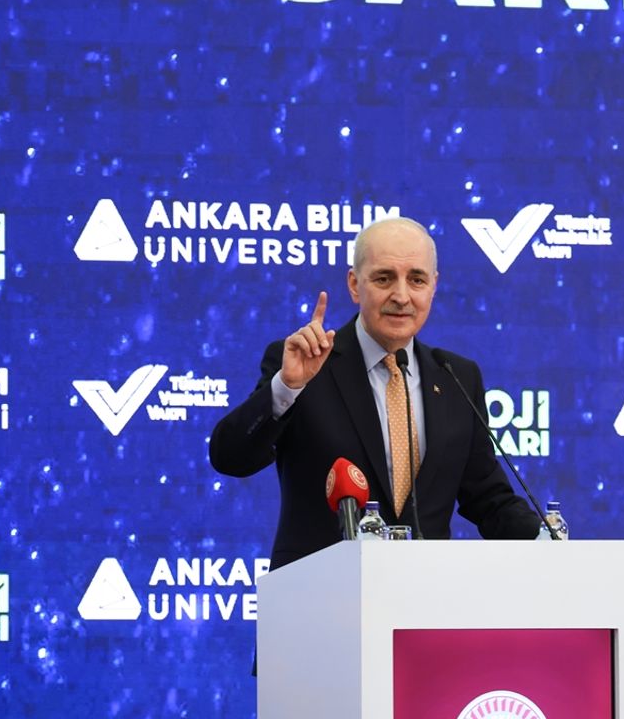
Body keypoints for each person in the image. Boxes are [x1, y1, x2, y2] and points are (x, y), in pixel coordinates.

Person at [208, 216, 541, 570]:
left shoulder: (457, 376)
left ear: (434, 286)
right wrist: (287, 387)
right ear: (355, 285)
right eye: (384, 278)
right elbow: (231, 457)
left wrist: (549, 542)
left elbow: (488, 498)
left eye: (416, 279)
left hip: (422, 594)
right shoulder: (304, 364)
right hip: (319, 592)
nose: (401, 296)